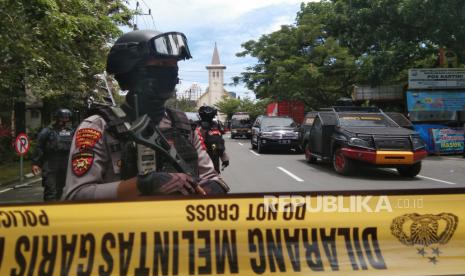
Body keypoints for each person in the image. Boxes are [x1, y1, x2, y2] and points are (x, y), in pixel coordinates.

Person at [62, 30, 229, 200]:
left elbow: (213, 178)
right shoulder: (99, 126)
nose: (171, 73)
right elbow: (76, 196)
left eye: (174, 67)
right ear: (132, 71)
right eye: (162, 65)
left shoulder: (184, 125)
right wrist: (143, 185)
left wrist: (212, 188)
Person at [31, 108, 74, 201]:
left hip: (66, 163)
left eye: (67, 118)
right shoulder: (47, 131)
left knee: (61, 190)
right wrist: (35, 163)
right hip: (50, 163)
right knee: (50, 190)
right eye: (63, 118)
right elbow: (39, 146)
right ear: (57, 118)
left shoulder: (71, 131)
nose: (65, 120)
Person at [197, 106, 229, 174]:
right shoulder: (196, 126)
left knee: (215, 179)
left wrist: (224, 158)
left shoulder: (216, 125)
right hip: (200, 160)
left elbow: (219, 143)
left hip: (214, 158)